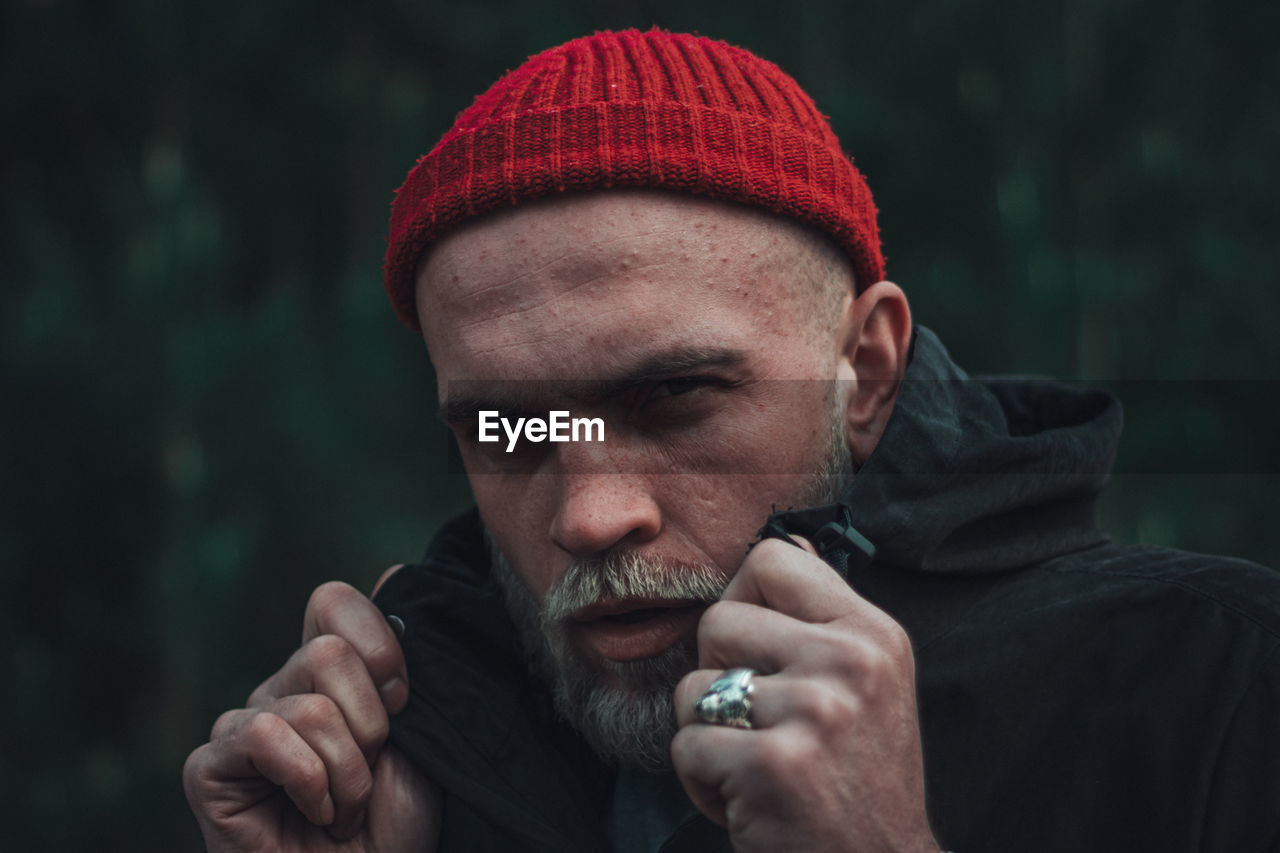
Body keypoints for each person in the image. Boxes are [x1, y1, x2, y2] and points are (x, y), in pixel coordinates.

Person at [183, 29, 1280, 852]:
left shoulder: (1217, 683)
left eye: (675, 398)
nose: (589, 515)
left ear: (866, 370)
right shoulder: (421, 767)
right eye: (511, 426)